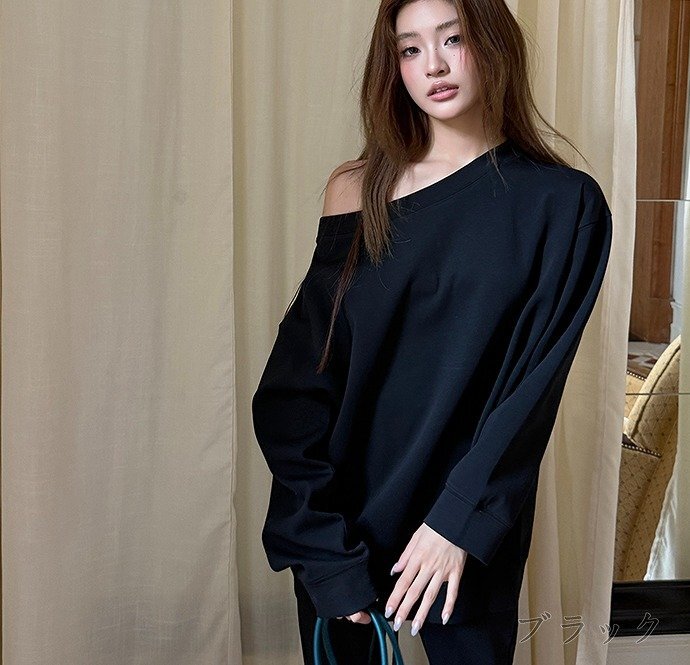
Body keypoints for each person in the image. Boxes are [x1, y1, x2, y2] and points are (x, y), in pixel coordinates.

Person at [251, 0, 613, 663]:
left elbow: (531, 395)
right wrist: (322, 546)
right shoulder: (356, 189)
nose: (434, 66)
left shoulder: (564, 204)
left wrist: (458, 522)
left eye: (453, 39)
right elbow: (300, 383)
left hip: (465, 528)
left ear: (494, 45)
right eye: (410, 49)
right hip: (343, 521)